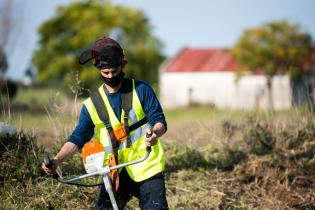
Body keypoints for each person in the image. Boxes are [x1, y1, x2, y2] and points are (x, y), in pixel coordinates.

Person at [42, 36, 169, 210]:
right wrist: (57, 160)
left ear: (122, 65)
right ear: (98, 70)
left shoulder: (141, 89)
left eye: (114, 71)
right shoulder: (92, 104)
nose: (111, 76)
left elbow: (159, 121)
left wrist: (154, 134)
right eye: (106, 73)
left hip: (147, 166)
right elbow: (78, 137)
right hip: (115, 170)